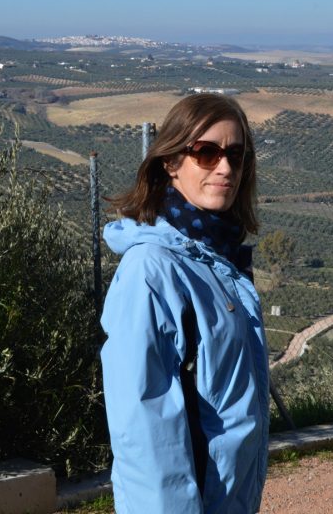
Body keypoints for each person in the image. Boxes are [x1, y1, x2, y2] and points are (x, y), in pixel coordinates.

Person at [100, 93, 269, 514]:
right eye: (206, 153)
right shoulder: (152, 271)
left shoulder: (218, 262)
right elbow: (145, 429)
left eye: (235, 154)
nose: (225, 167)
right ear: (171, 162)